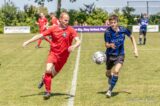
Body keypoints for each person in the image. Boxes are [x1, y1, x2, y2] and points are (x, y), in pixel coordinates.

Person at [23, 12, 81, 99]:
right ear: (60, 19)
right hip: (53, 53)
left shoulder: (70, 29)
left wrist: (75, 46)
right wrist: (28, 41)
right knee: (48, 70)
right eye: (65, 20)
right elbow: (40, 35)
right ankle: (48, 92)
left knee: (50, 75)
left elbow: (78, 40)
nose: (67, 22)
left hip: (63, 57)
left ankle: (44, 79)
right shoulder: (53, 28)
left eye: (68, 20)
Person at [104, 15, 138, 98]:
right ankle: (110, 77)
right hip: (110, 55)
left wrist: (135, 49)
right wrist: (110, 45)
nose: (112, 24)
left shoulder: (123, 29)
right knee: (108, 73)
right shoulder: (107, 32)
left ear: (117, 22)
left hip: (120, 54)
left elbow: (132, 37)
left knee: (116, 71)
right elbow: (106, 44)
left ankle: (110, 90)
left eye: (114, 22)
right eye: (111, 23)